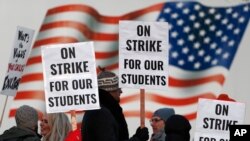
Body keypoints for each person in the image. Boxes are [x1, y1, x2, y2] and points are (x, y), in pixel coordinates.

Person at [81, 67, 149, 141]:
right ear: (110, 89)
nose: (121, 91)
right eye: (118, 88)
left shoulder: (99, 109)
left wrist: (136, 137)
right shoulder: (101, 113)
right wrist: (137, 139)